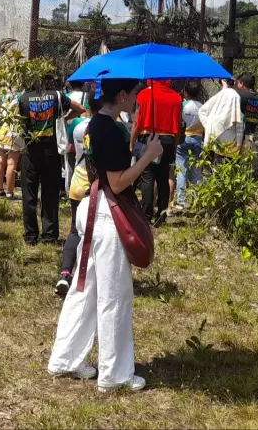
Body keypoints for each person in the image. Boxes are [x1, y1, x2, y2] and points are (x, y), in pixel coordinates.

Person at [48, 78, 162, 393]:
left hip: (92, 206)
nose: (138, 99)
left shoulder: (96, 124)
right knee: (114, 296)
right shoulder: (109, 130)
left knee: (85, 288)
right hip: (106, 214)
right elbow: (119, 182)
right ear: (122, 95)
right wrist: (148, 155)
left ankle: (66, 359)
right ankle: (115, 374)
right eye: (136, 93)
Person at [19, 78, 84, 245]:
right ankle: (49, 235)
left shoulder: (24, 97)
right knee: (50, 194)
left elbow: (18, 120)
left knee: (29, 194)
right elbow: (81, 108)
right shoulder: (57, 95)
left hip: (30, 150)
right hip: (51, 151)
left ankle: (30, 236)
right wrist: (65, 118)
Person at [56, 96, 93, 298]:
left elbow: (71, 148)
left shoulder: (78, 125)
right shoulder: (114, 128)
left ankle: (65, 273)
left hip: (78, 182)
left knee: (75, 231)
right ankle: (89, 278)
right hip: (99, 188)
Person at [131, 80, 182, 223]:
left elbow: (136, 122)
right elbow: (178, 124)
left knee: (147, 177)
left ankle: (146, 213)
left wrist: (132, 143)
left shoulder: (143, 95)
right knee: (163, 177)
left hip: (148, 138)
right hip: (168, 141)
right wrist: (174, 145)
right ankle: (162, 213)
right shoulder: (176, 97)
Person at [173, 81, 204, 211]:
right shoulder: (202, 107)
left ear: (186, 92)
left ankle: (181, 200)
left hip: (183, 138)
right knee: (197, 171)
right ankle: (199, 199)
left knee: (181, 169)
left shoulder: (182, 105)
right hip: (198, 139)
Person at [198, 79, 243, 161]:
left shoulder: (221, 96)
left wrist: (209, 125)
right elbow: (239, 126)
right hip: (230, 146)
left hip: (217, 143)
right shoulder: (235, 96)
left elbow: (202, 111)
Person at [0, 90, 23, 201]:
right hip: (14, 131)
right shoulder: (20, 96)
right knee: (11, 163)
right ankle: (10, 192)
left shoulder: (4, 96)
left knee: (0, 162)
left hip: (2, 130)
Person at [235, 74, 258, 155]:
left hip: (239, 137)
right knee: (248, 165)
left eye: (238, 83)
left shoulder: (240, 96)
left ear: (242, 84)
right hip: (252, 137)